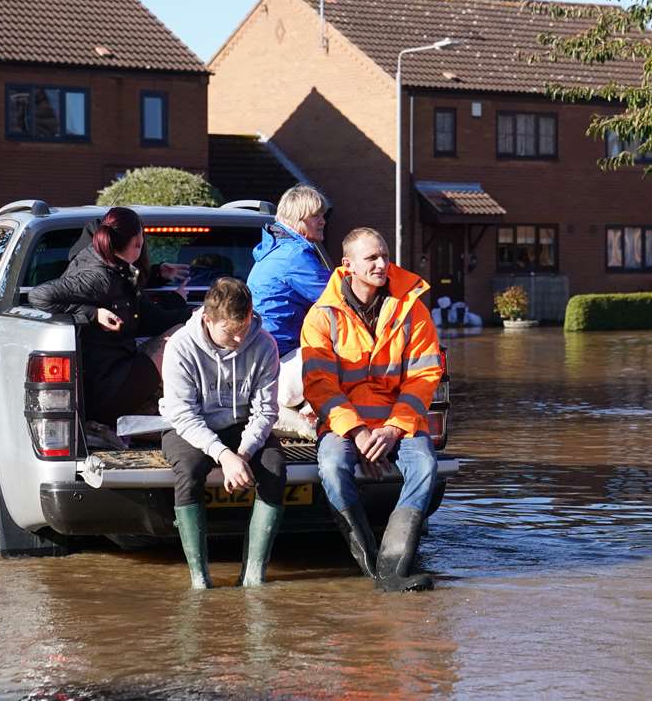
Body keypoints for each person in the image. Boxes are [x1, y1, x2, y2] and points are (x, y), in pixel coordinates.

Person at [301, 226, 444, 592]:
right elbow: (320, 386)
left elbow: (424, 376)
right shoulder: (322, 316)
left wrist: (393, 429)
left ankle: (393, 564)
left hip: (398, 423)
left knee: (425, 465)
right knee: (332, 466)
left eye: (384, 256)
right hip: (346, 427)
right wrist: (360, 433)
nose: (382, 264)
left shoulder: (413, 309)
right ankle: (370, 565)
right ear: (348, 265)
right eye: (372, 258)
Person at [159, 277, 284, 588]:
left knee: (275, 468)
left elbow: (266, 411)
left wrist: (242, 454)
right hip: (190, 427)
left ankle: (254, 574)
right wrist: (223, 456)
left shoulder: (265, 344)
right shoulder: (180, 347)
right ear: (207, 319)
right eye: (230, 332)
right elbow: (183, 414)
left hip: (242, 425)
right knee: (189, 470)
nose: (240, 339)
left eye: (244, 329)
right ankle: (199, 578)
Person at [28, 206, 190, 427]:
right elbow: (39, 295)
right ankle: (191, 415)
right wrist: (93, 314)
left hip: (113, 370)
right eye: (142, 239)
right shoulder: (100, 277)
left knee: (176, 332)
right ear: (136, 243)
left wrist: (157, 274)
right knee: (179, 335)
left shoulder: (106, 264)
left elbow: (132, 301)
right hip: (107, 386)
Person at [247, 185, 331, 411]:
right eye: (316, 216)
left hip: (262, 356)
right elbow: (340, 300)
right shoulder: (295, 255)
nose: (323, 221)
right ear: (297, 219)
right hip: (277, 359)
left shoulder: (275, 249)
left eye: (323, 215)